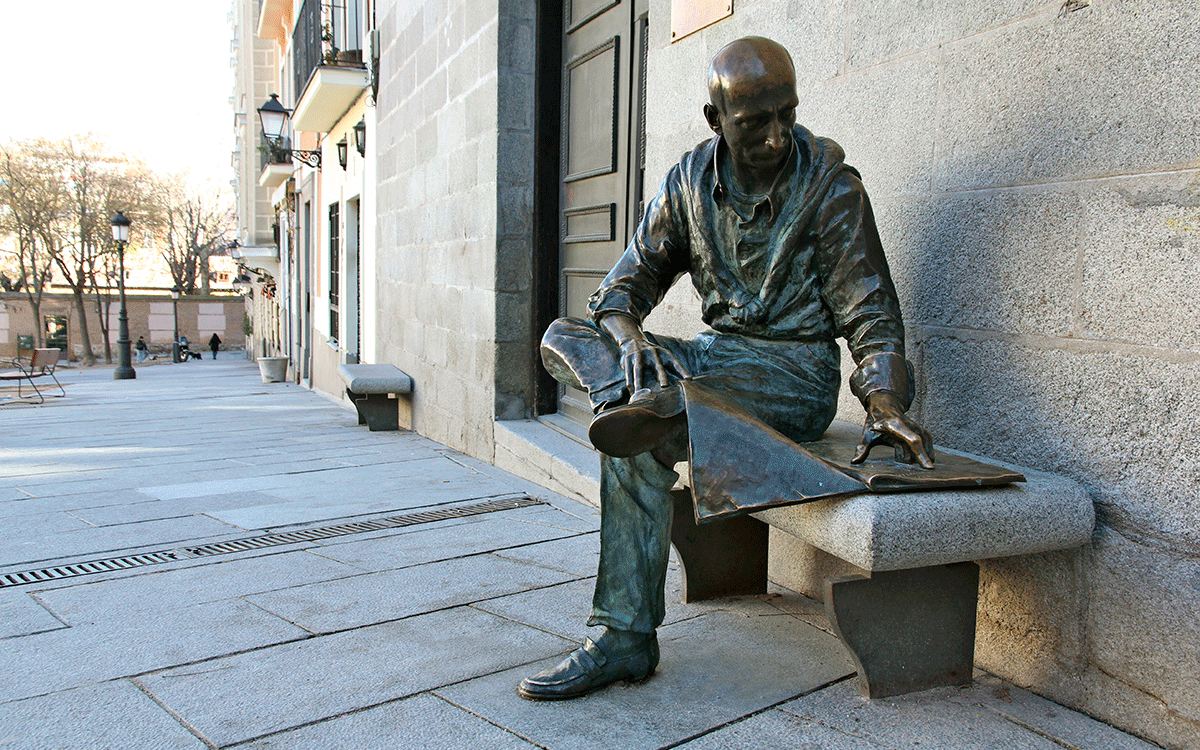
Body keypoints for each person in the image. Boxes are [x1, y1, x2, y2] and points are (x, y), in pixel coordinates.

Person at [521, 36, 934, 701]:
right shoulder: (688, 183)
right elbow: (622, 288)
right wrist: (629, 342)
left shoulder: (830, 187)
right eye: (753, 124)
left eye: (786, 115)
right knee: (563, 333)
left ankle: (625, 631)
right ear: (716, 122)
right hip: (712, 360)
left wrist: (885, 402)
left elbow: (871, 311)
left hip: (793, 376)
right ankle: (633, 396)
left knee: (643, 429)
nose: (775, 137)